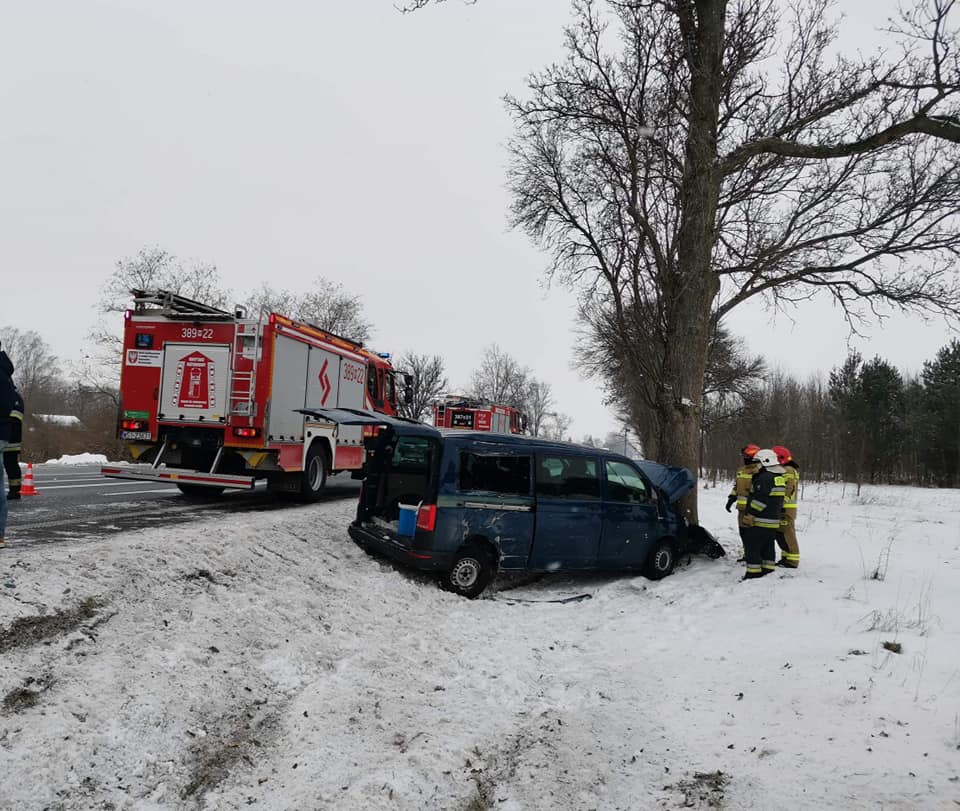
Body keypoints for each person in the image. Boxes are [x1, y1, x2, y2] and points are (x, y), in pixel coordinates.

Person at [741, 448, 786, 580]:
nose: (755, 465)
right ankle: (768, 569)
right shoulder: (778, 477)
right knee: (768, 545)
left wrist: (750, 514)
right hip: (772, 520)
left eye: (757, 462)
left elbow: (761, 499)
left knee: (752, 546)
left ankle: (753, 573)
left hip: (760, 520)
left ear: (765, 462)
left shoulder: (764, 478)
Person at [0, 342, 21, 548]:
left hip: (7, 438)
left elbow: (9, 412)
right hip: (6, 437)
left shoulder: (2, 379)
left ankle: (16, 490)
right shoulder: (5, 379)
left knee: (10, 468)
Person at [726, 444, 761, 561]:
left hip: (754, 510)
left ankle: (755, 556)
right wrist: (731, 498)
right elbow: (737, 486)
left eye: (746, 456)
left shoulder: (760, 471)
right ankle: (747, 554)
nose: (743, 458)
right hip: (741, 509)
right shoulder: (741, 470)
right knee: (744, 533)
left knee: (753, 534)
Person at [772, 445, 800, 568]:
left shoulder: (788, 470)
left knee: (788, 535)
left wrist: (781, 504)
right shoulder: (785, 469)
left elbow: (789, 488)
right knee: (781, 534)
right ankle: (786, 557)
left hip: (786, 509)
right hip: (783, 508)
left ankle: (792, 560)